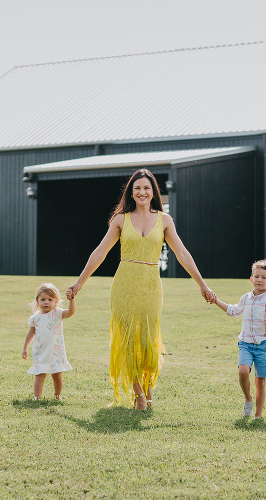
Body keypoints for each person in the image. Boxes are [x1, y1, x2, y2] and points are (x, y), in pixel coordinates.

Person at [66, 169, 216, 410]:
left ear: (153, 192)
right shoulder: (120, 219)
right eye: (137, 188)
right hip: (124, 284)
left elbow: (182, 253)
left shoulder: (165, 220)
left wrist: (202, 284)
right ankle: (139, 394)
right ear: (131, 192)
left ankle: (147, 386)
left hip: (151, 286)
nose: (142, 192)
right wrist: (79, 282)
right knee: (128, 340)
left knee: (147, 340)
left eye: (146, 188)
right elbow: (100, 252)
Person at [212, 259, 266, 419]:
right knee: (243, 371)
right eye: (256, 276)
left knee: (260, 381)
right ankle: (248, 398)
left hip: (263, 346)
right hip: (246, 344)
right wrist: (215, 301)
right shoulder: (246, 298)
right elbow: (233, 310)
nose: (259, 280)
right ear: (251, 279)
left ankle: (258, 415)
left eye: (264, 277)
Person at [22, 283, 75, 400]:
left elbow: (70, 313)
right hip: (40, 351)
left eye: (50, 300)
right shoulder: (35, 318)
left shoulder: (57, 313)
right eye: (43, 299)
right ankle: (37, 398)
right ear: (37, 301)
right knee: (39, 375)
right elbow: (31, 333)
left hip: (55, 351)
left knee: (57, 375)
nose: (46, 302)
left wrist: (71, 300)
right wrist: (25, 348)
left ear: (55, 301)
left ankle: (57, 395)